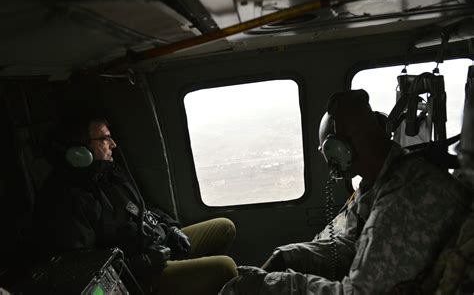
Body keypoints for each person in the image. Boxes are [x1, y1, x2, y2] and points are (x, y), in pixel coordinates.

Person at [220, 89, 472, 294]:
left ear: (338, 150)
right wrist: (290, 255)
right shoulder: (390, 177)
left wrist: (271, 284)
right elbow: (358, 245)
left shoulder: (402, 201)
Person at [34, 116, 237, 295]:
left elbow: (143, 207)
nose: (113, 144)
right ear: (79, 150)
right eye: (104, 138)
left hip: (157, 244)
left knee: (224, 226)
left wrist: (171, 227)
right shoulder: (66, 199)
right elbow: (81, 267)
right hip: (138, 275)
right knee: (225, 268)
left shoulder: (110, 174)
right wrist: (142, 264)